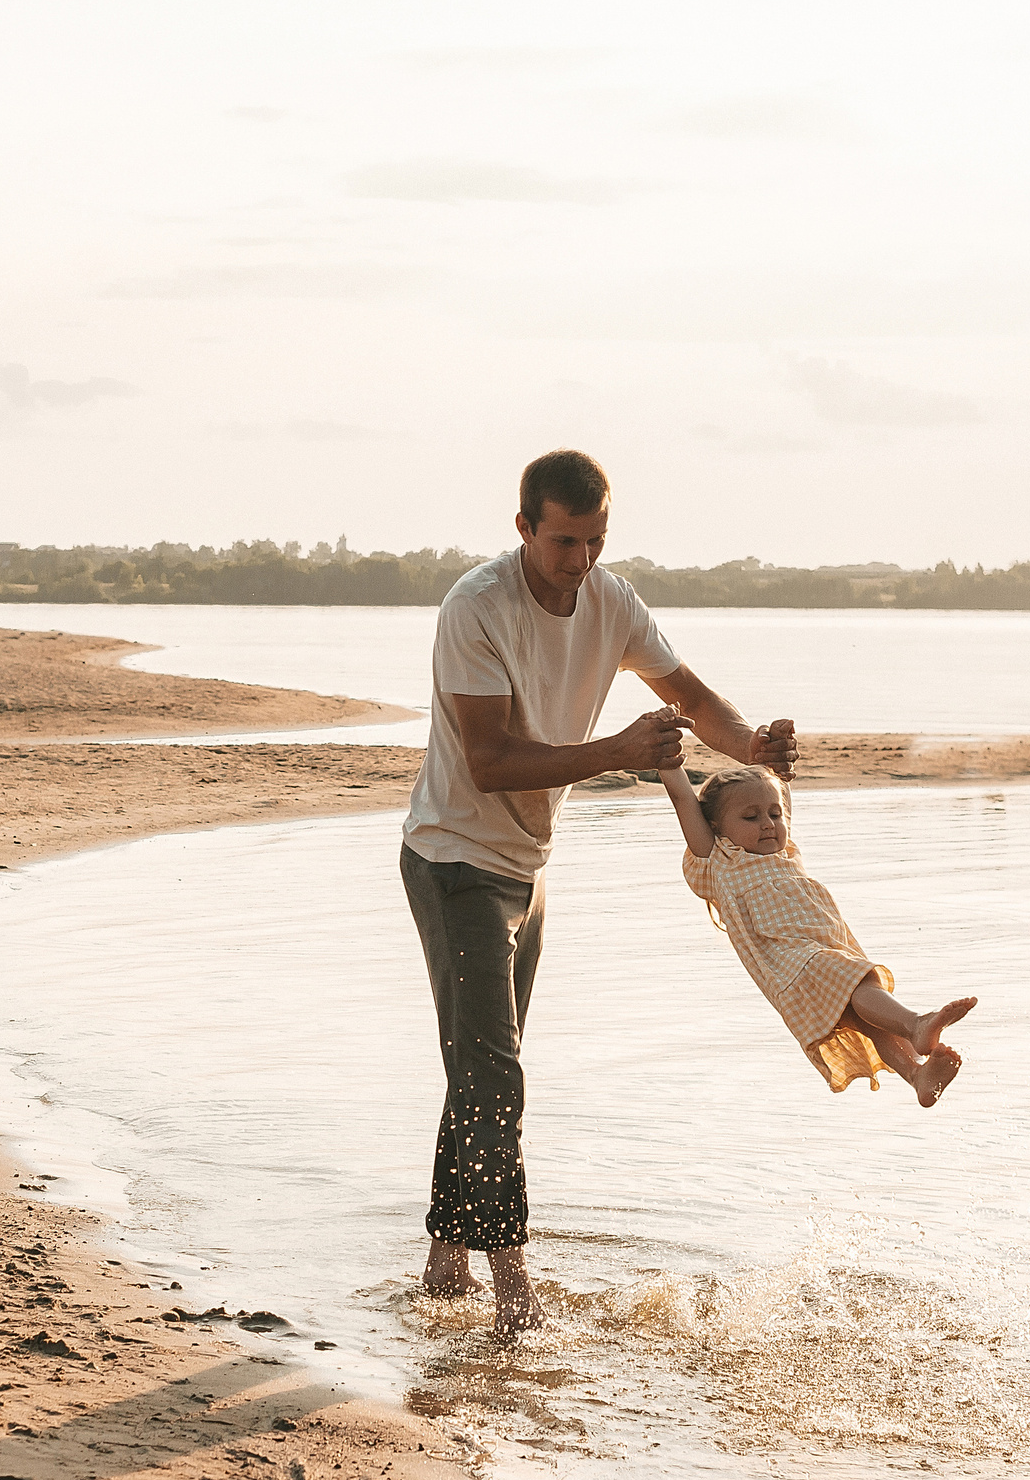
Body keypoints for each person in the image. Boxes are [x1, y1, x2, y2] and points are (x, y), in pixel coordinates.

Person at [401, 449, 799, 1337]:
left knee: (479, 1064)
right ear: (525, 530)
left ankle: (443, 1262)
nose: (579, 562)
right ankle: (513, 1293)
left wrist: (752, 746)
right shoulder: (476, 607)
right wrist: (619, 750)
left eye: (595, 541)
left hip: (526, 869)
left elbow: (688, 694)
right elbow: (491, 759)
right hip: (454, 859)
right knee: (493, 1071)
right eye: (564, 542)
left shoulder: (612, 600)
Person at [662, 758, 974, 1105]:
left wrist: (774, 751)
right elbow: (683, 800)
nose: (768, 825)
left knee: (868, 1017)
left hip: (827, 945)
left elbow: (777, 779)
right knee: (858, 983)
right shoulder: (720, 861)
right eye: (751, 817)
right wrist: (666, 758)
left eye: (774, 815)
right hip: (790, 964)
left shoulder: (786, 852)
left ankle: (916, 1074)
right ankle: (915, 1024)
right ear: (716, 828)